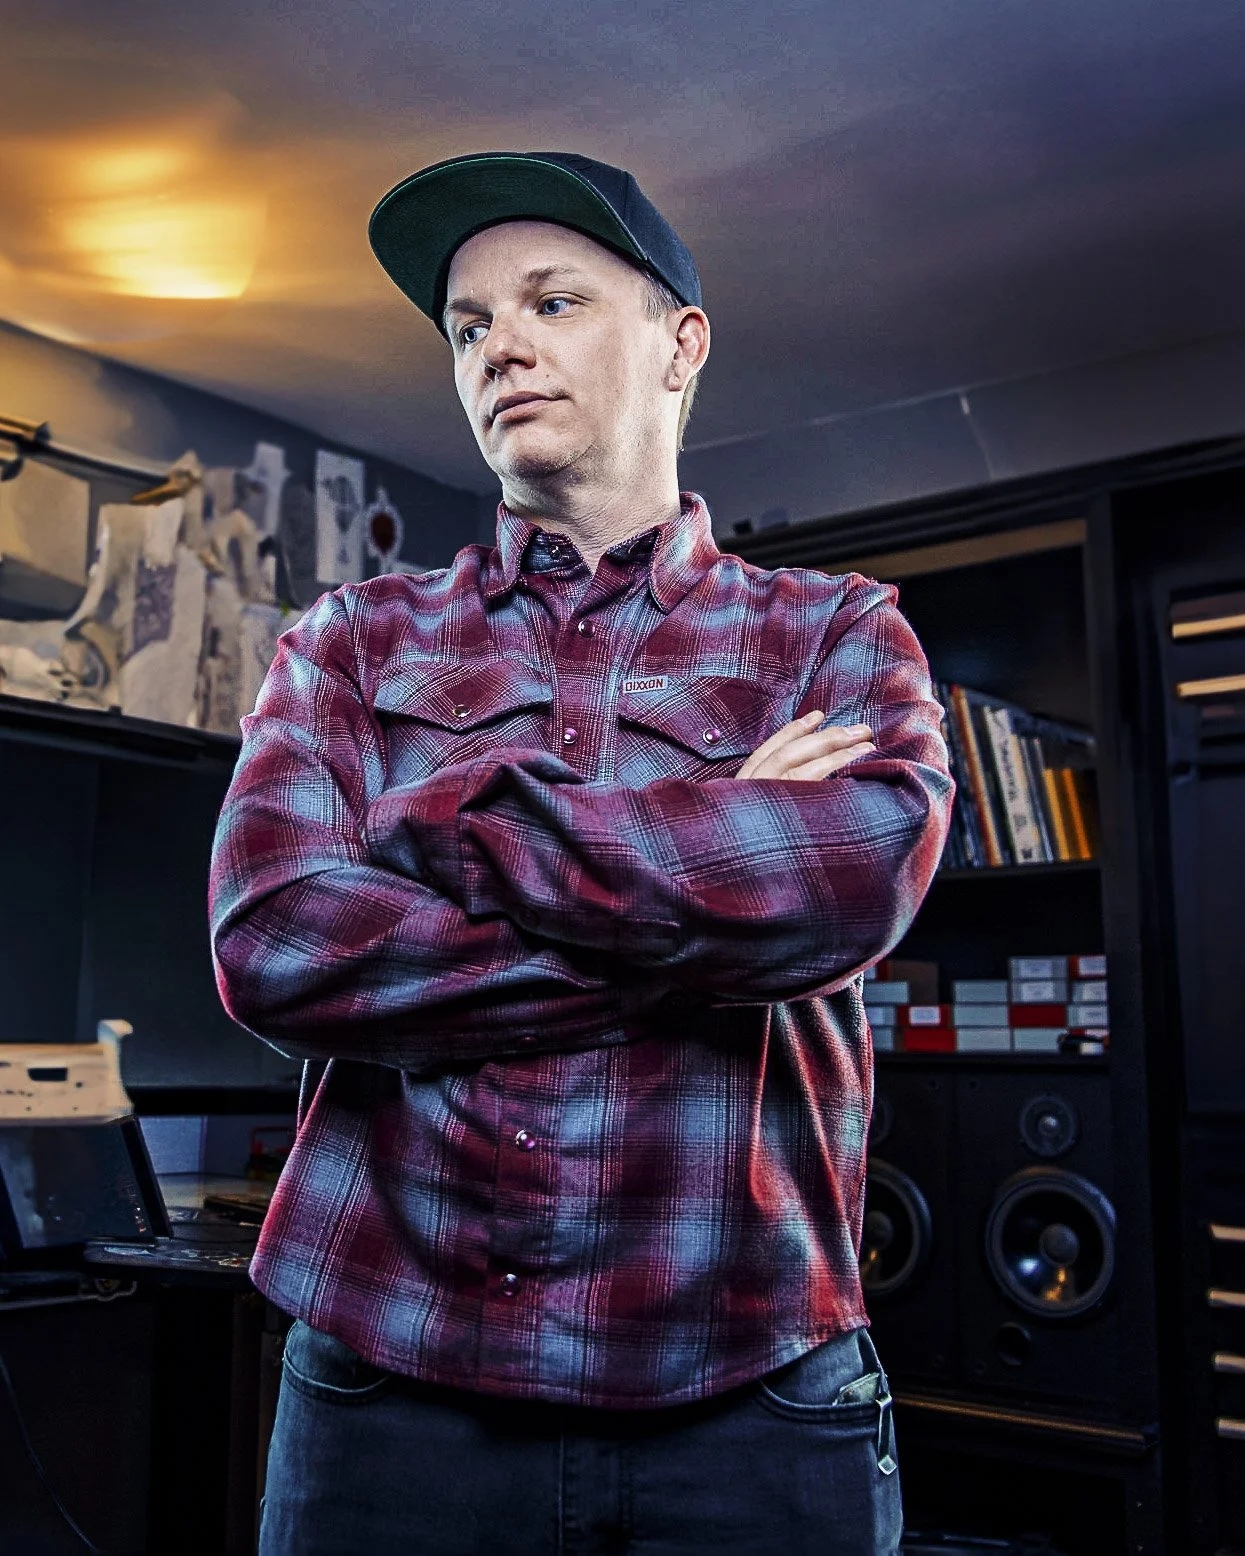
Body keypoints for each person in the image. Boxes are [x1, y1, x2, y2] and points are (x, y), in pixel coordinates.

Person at [209, 150, 953, 1556]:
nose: (503, 348)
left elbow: (849, 877)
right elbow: (278, 945)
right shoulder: (351, 642)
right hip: (389, 1397)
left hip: (749, 1403)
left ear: (681, 346)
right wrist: (715, 884)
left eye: (551, 300)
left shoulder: (836, 636)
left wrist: (451, 820)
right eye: (471, 326)